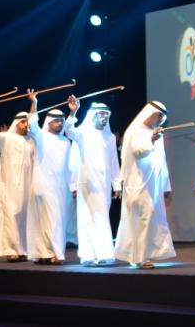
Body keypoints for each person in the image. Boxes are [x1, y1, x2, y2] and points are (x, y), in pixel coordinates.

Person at [114, 101, 176, 269]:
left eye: (164, 117)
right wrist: (152, 139)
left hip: (154, 185)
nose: (161, 120)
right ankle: (141, 258)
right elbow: (138, 152)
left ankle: (141, 255)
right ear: (150, 113)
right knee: (144, 217)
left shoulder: (156, 133)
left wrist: (166, 186)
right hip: (137, 184)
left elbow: (161, 161)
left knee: (150, 219)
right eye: (159, 115)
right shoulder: (135, 131)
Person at [0, 96, 36, 262]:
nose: (27, 125)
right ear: (17, 123)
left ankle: (24, 249)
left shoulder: (32, 140)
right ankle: (12, 249)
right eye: (24, 122)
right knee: (12, 214)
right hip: (10, 186)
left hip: (28, 185)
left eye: (28, 122)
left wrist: (34, 104)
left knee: (26, 216)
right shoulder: (6, 138)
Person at [64, 99, 121, 266]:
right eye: (101, 114)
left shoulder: (109, 137)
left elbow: (113, 162)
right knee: (87, 218)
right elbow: (69, 131)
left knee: (101, 216)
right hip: (86, 183)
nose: (104, 118)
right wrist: (73, 112)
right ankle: (92, 255)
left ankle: (101, 254)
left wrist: (116, 184)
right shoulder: (82, 133)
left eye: (107, 115)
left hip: (103, 185)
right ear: (93, 116)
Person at [26, 93, 73, 265]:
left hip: (61, 187)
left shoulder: (66, 142)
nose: (60, 123)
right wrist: (35, 103)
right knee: (46, 219)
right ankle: (52, 253)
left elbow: (69, 167)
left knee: (56, 219)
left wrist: (72, 187)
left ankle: (50, 252)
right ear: (49, 121)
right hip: (43, 184)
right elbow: (32, 123)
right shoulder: (41, 136)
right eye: (56, 121)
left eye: (62, 121)